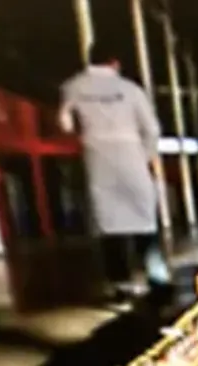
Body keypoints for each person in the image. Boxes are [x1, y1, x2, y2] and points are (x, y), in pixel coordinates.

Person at [59, 44, 170, 300]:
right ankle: (155, 274)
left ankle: (119, 281)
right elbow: (152, 129)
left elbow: (64, 124)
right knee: (144, 217)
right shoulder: (131, 90)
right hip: (131, 154)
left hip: (96, 156)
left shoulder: (72, 86)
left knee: (108, 223)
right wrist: (146, 155)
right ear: (115, 63)